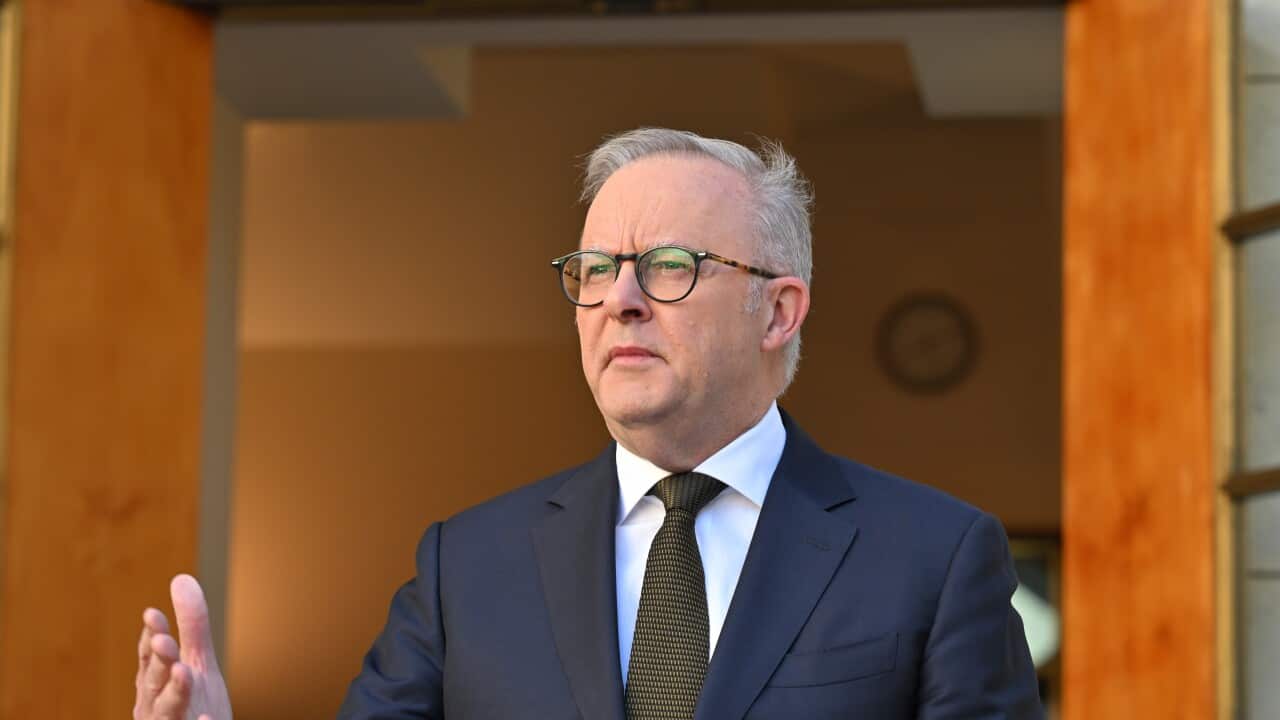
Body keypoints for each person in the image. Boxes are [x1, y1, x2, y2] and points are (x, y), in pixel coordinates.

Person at [133, 128, 1043, 720]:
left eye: (672, 265)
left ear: (778, 312)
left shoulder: (935, 557)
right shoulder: (468, 567)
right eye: (596, 269)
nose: (623, 300)